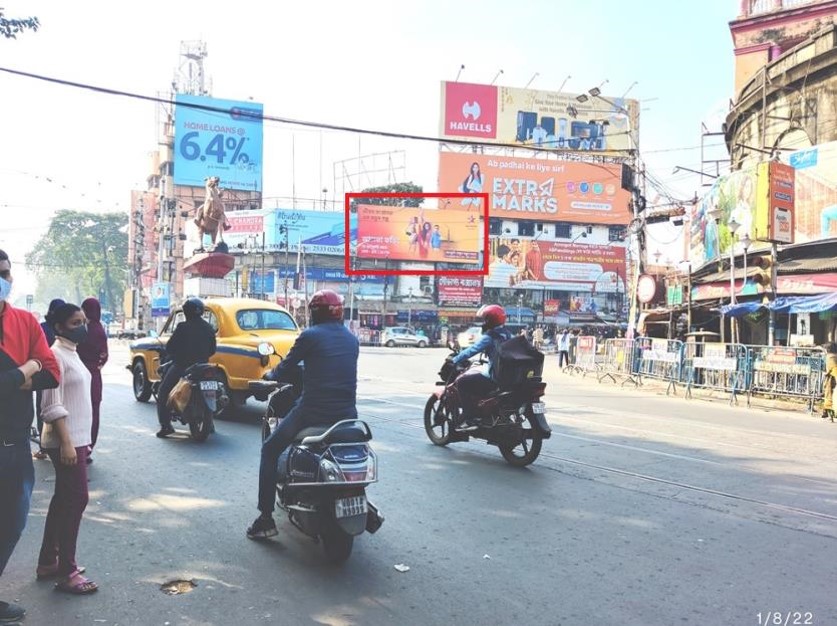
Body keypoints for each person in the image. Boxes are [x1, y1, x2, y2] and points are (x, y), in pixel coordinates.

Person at [247, 290, 359, 539]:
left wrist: (269, 376)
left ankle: (265, 519)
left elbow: (286, 368)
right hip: (347, 415)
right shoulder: (352, 339)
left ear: (314, 313)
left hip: (312, 412)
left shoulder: (309, 336)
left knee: (269, 449)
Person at [0, 250, 61, 622]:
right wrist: (27, 367)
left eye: (5, 272)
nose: (2, 278)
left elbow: (51, 374)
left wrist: (20, 376)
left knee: (13, 523)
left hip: (16, 445)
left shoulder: (24, 321)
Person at [37, 303, 99, 594]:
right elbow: (51, 405)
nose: (83, 326)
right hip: (67, 441)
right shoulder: (54, 355)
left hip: (77, 439)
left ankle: (50, 561)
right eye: (76, 322)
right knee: (76, 500)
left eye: (83, 321)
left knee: (63, 500)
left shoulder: (71, 353)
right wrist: (66, 443)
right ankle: (68, 571)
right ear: (59, 327)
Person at [156, 298, 216, 438]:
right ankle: (211, 424)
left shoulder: (183, 327)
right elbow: (212, 350)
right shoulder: (208, 328)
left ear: (187, 312)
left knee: (163, 391)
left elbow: (170, 347)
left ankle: (166, 426)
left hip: (182, 366)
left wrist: (175, 353)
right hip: (203, 366)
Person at [449, 304, 512, 431]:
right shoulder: (508, 334)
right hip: (508, 378)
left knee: (462, 382)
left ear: (489, 320)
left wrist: (455, 359)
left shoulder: (490, 337)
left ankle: (469, 416)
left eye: (485, 319)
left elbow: (472, 350)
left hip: (495, 378)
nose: (484, 322)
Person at [34, 298, 66, 461]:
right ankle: (52, 444)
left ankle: (46, 446)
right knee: (49, 410)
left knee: (44, 410)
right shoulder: (59, 328)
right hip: (48, 376)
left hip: (48, 375)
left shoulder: (46, 327)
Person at [77, 298, 108, 464]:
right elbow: (104, 356)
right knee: (93, 412)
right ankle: (88, 447)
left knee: (78, 410)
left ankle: (79, 446)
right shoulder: (100, 330)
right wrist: (95, 368)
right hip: (94, 376)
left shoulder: (80, 329)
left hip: (78, 375)